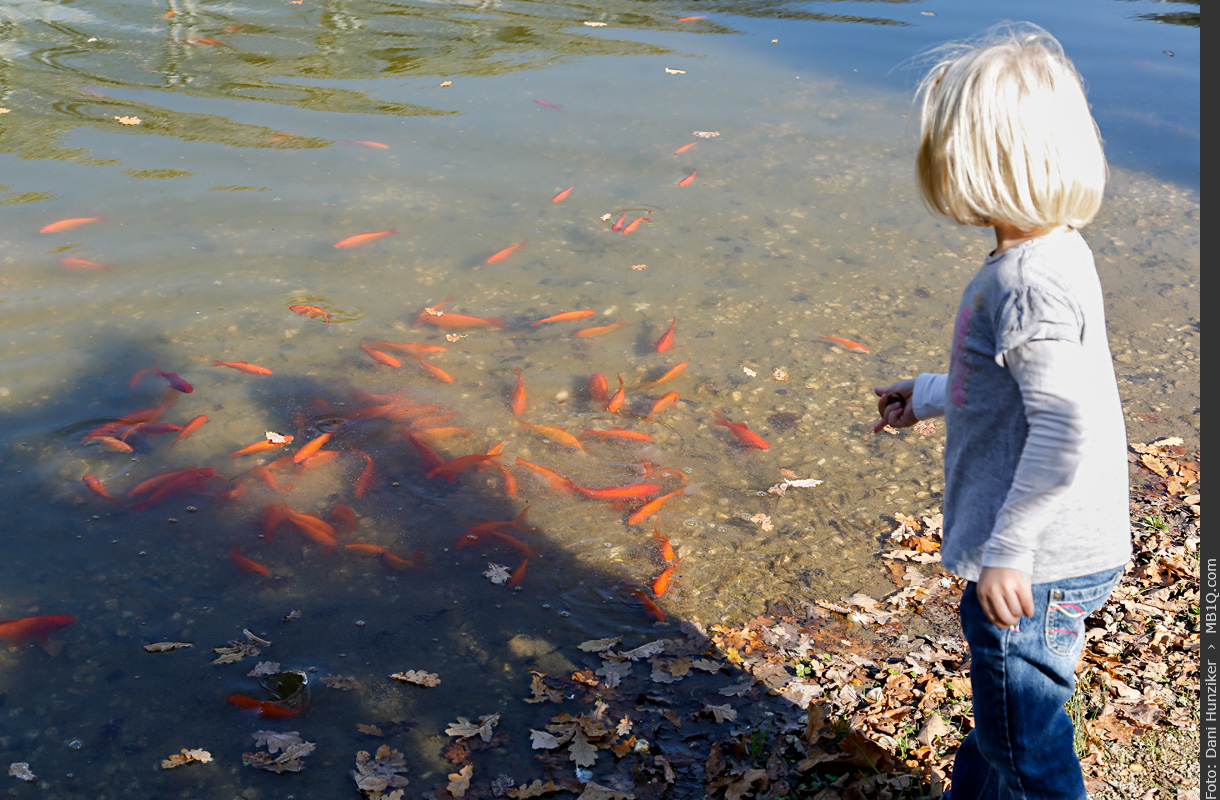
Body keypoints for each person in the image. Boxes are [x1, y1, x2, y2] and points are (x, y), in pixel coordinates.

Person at [872, 22, 1133, 800]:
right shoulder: (1055, 251)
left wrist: (1010, 550)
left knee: (1027, 745)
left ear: (967, 164)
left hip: (1036, 566)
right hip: (1062, 551)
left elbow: (1062, 426)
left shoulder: (1025, 284)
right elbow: (1015, 387)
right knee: (1009, 723)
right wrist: (926, 396)